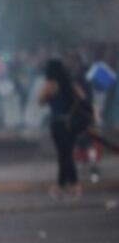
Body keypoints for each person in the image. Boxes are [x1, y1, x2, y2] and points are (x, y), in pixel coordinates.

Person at [39, 58, 88, 200]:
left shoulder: (50, 85)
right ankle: (64, 186)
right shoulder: (70, 83)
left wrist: (48, 92)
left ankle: (71, 185)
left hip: (57, 123)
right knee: (66, 154)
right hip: (71, 123)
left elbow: (40, 101)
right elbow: (83, 98)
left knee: (64, 155)